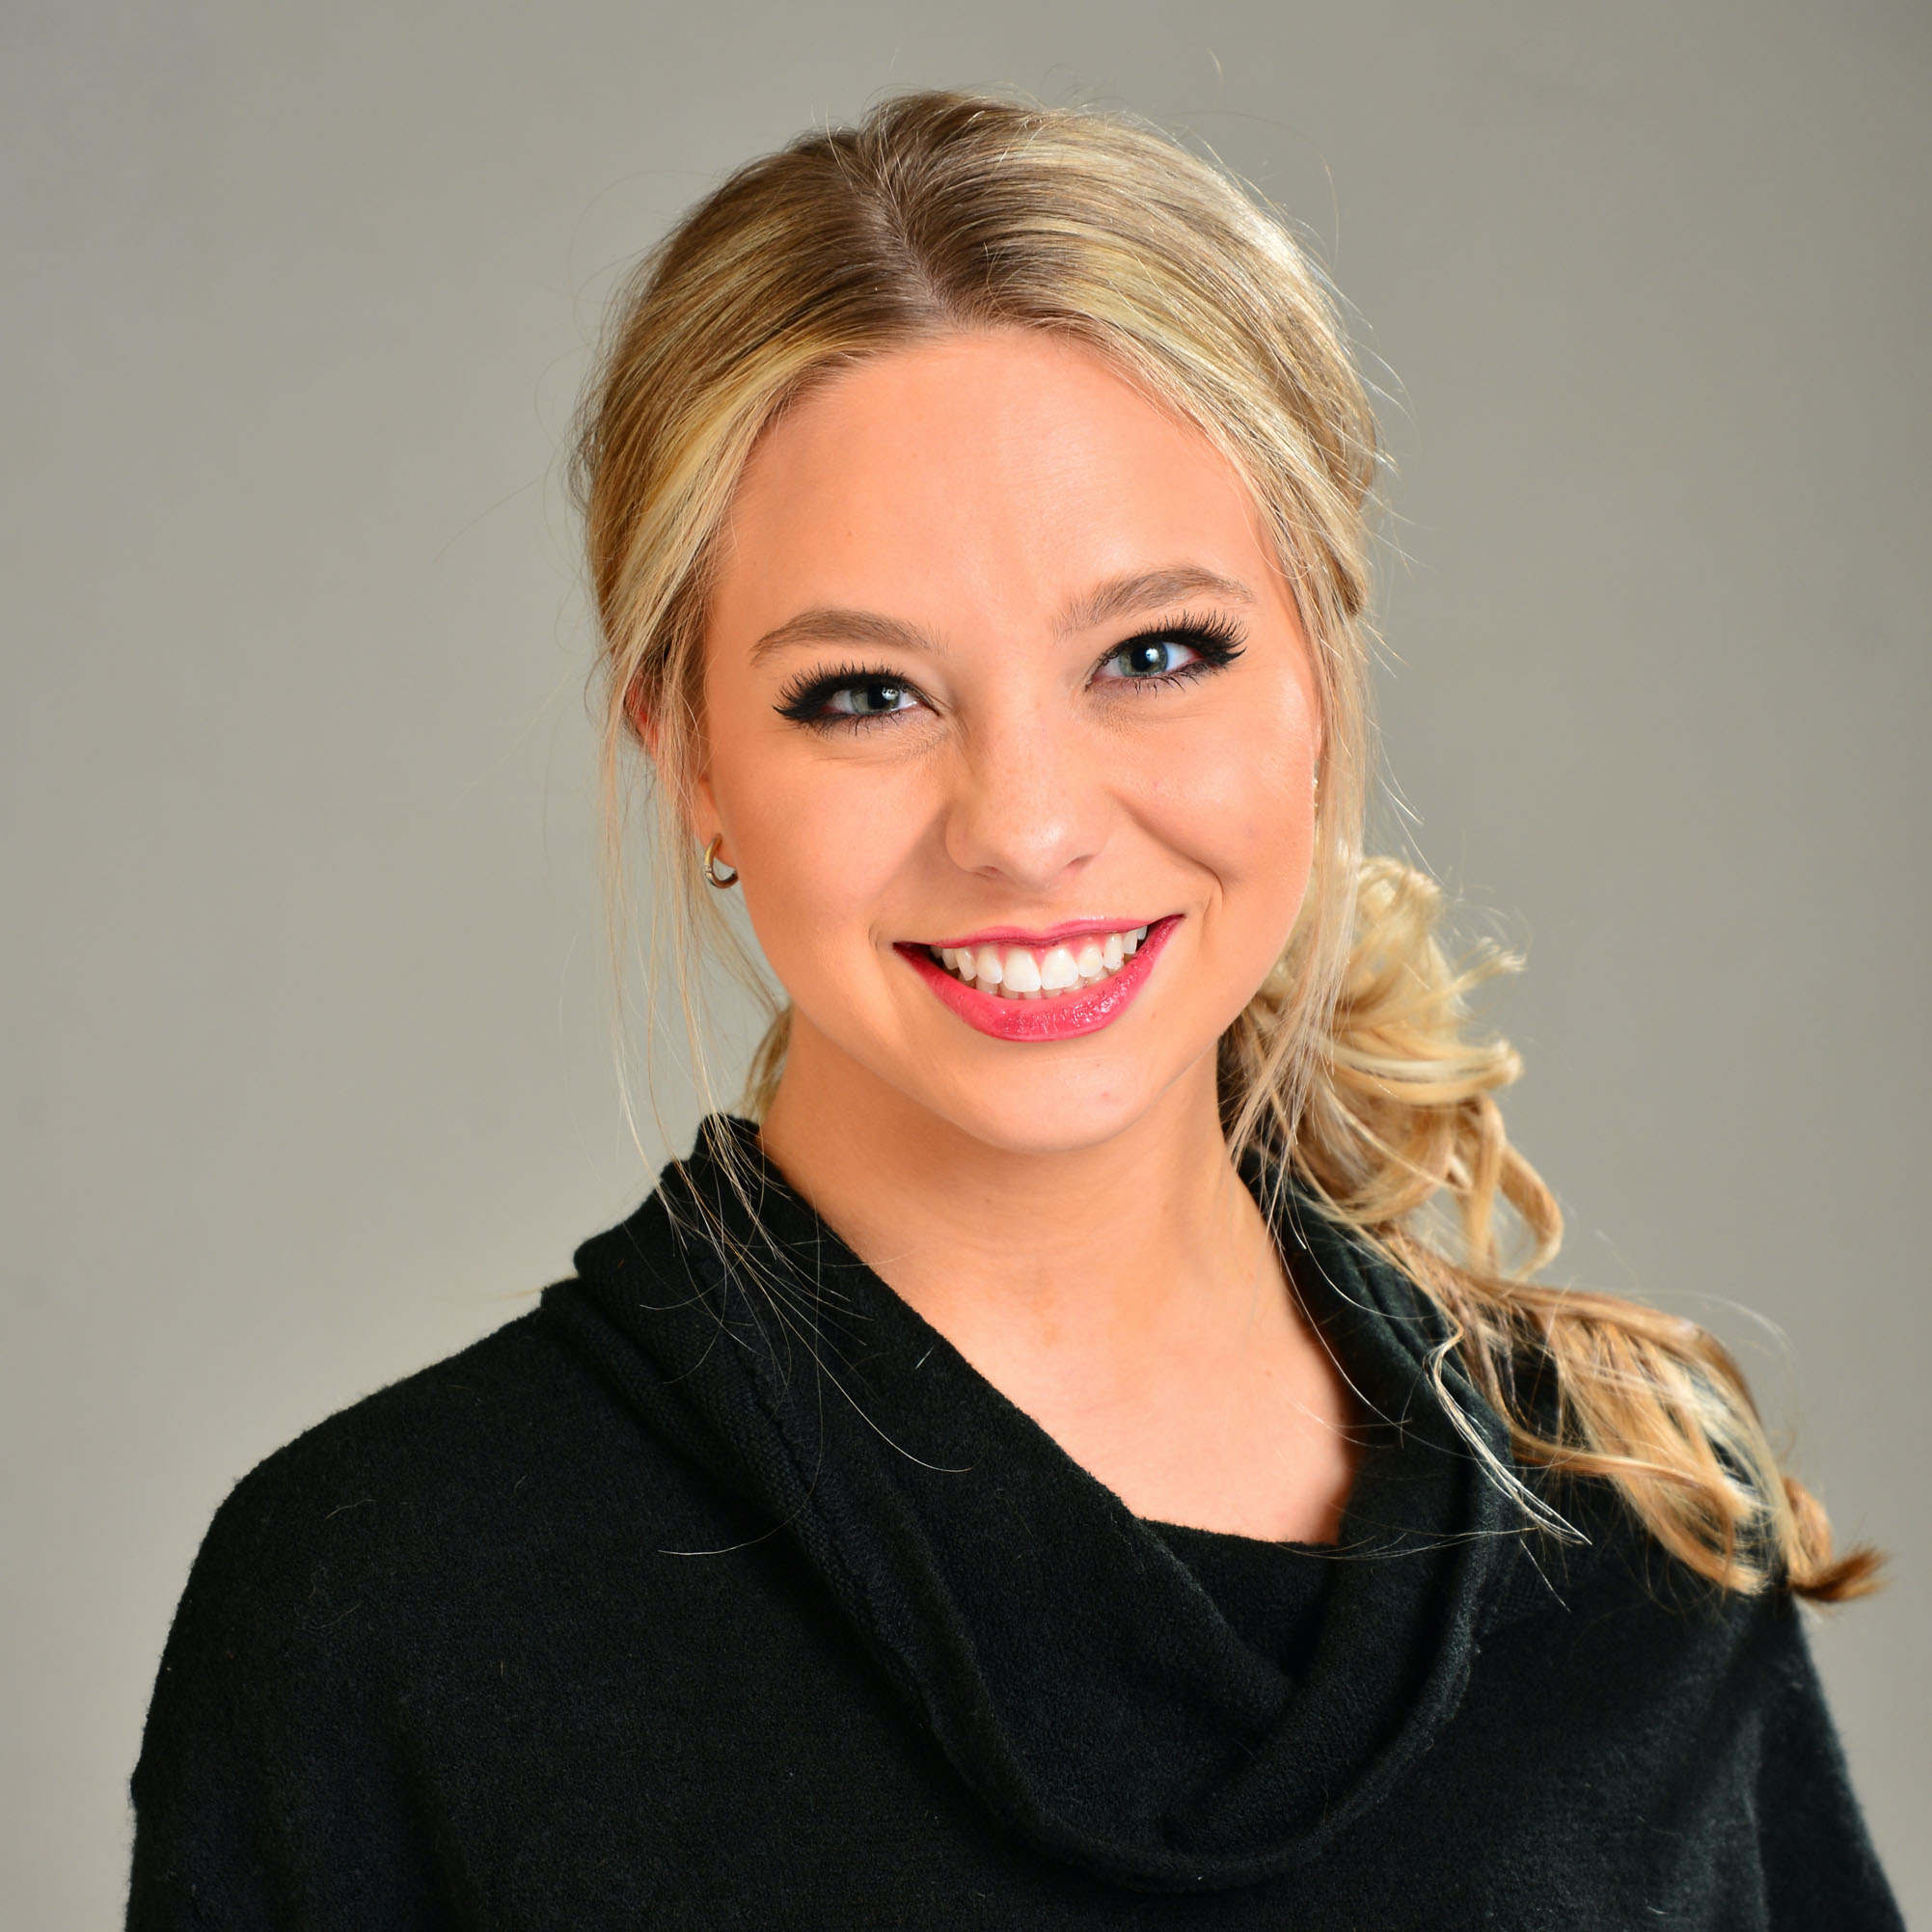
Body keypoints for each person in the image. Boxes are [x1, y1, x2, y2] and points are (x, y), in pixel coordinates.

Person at [126, 91, 1901, 1928]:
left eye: (1155, 653)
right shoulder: (386, 1606)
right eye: (864, 693)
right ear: (691, 756)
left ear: (1316, 674)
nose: (1029, 828)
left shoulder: (1630, 1523)